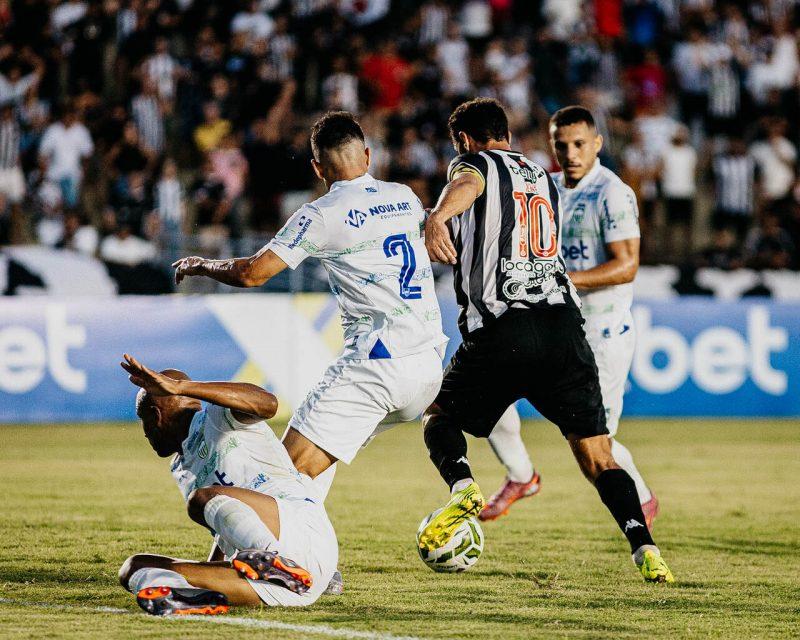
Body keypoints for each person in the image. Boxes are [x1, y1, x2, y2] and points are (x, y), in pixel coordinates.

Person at [420, 98, 673, 583]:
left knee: (438, 416)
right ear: (508, 134)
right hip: (564, 327)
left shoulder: (474, 163)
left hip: (505, 326)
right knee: (598, 453)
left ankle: (463, 485)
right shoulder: (541, 176)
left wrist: (437, 216)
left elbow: (468, 182)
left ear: (465, 141)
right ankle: (644, 546)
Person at [173, 111, 447, 504]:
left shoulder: (322, 213)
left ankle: (282, 543)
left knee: (280, 477)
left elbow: (252, 273)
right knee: (316, 460)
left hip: (379, 366)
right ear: (367, 156)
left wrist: (201, 263)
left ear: (317, 168)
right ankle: (311, 542)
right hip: (427, 366)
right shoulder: (404, 196)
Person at [480, 106, 660, 535]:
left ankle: (641, 499)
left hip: (601, 334)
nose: (571, 153)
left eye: (579, 144)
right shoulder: (549, 187)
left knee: (597, 444)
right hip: (555, 325)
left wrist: (560, 279)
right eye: (562, 145)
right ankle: (521, 475)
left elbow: (627, 266)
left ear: (597, 144)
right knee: (485, 390)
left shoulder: (611, 193)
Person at [117, 354, 338, 615]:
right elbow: (227, 526)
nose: (144, 432)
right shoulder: (181, 468)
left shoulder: (217, 416)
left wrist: (180, 387)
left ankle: (278, 560)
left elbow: (268, 403)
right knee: (134, 567)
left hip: (302, 536)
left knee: (202, 499)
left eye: (143, 420)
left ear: (156, 415)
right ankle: (190, 597)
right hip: (287, 585)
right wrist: (211, 568)